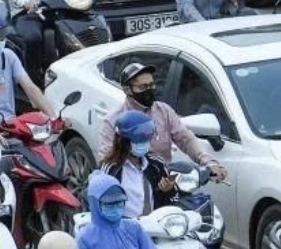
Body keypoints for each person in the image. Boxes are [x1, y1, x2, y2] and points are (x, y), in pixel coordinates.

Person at [96, 62, 226, 181]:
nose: (150, 89)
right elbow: (106, 160)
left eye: (152, 84)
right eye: (143, 87)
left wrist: (209, 162)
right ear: (128, 90)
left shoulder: (163, 111)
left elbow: (185, 139)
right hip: (131, 184)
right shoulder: (113, 120)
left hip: (165, 181)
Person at [101, 110, 178, 219]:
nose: (144, 144)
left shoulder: (156, 164)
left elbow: (172, 201)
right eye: (138, 140)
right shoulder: (111, 169)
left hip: (155, 226)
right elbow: (103, 204)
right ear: (123, 141)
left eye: (146, 140)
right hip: (124, 226)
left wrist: (168, 190)